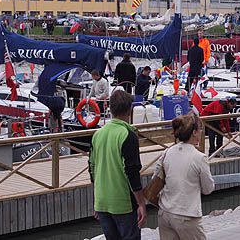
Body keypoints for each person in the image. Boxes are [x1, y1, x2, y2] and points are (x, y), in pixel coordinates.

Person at [88, 90, 147, 240]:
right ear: (130, 109)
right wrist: (141, 203)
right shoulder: (127, 134)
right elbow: (132, 172)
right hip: (123, 203)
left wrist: (97, 200)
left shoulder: (98, 134)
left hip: (102, 202)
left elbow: (92, 169)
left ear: (110, 109)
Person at [155, 112, 214, 240]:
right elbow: (207, 189)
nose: (201, 132)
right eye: (201, 129)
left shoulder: (167, 152)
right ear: (194, 132)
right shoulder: (199, 157)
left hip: (165, 212)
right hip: (187, 215)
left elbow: (156, 176)